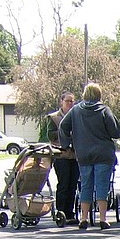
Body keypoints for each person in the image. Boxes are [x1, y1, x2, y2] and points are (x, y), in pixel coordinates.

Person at [59, 82, 120, 230]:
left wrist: (66, 144)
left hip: (83, 153)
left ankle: (84, 218)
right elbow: (115, 132)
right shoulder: (104, 110)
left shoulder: (75, 110)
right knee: (102, 185)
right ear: (99, 95)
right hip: (103, 154)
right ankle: (103, 219)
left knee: (86, 185)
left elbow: (63, 126)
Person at [41, 92, 79, 223]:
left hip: (75, 155)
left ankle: (70, 212)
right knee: (63, 184)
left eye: (72, 101)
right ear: (61, 102)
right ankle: (61, 211)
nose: (70, 103)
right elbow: (51, 135)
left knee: (73, 185)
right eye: (67, 101)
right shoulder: (53, 117)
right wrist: (65, 132)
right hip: (61, 155)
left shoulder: (77, 116)